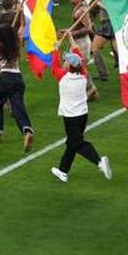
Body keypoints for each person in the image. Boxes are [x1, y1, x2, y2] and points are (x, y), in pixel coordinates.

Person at [51, 49, 112, 183]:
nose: (64, 62)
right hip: (82, 115)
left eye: (66, 61)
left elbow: (54, 64)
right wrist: (71, 39)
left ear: (69, 66)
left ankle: (99, 162)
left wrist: (55, 48)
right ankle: (63, 171)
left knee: (77, 143)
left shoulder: (62, 76)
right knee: (72, 143)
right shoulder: (83, 74)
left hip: (70, 117)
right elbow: (79, 58)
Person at [0, 25, 34, 152]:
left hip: (5, 77)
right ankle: (26, 130)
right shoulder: (17, 44)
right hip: (18, 78)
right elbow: (21, 29)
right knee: (18, 107)